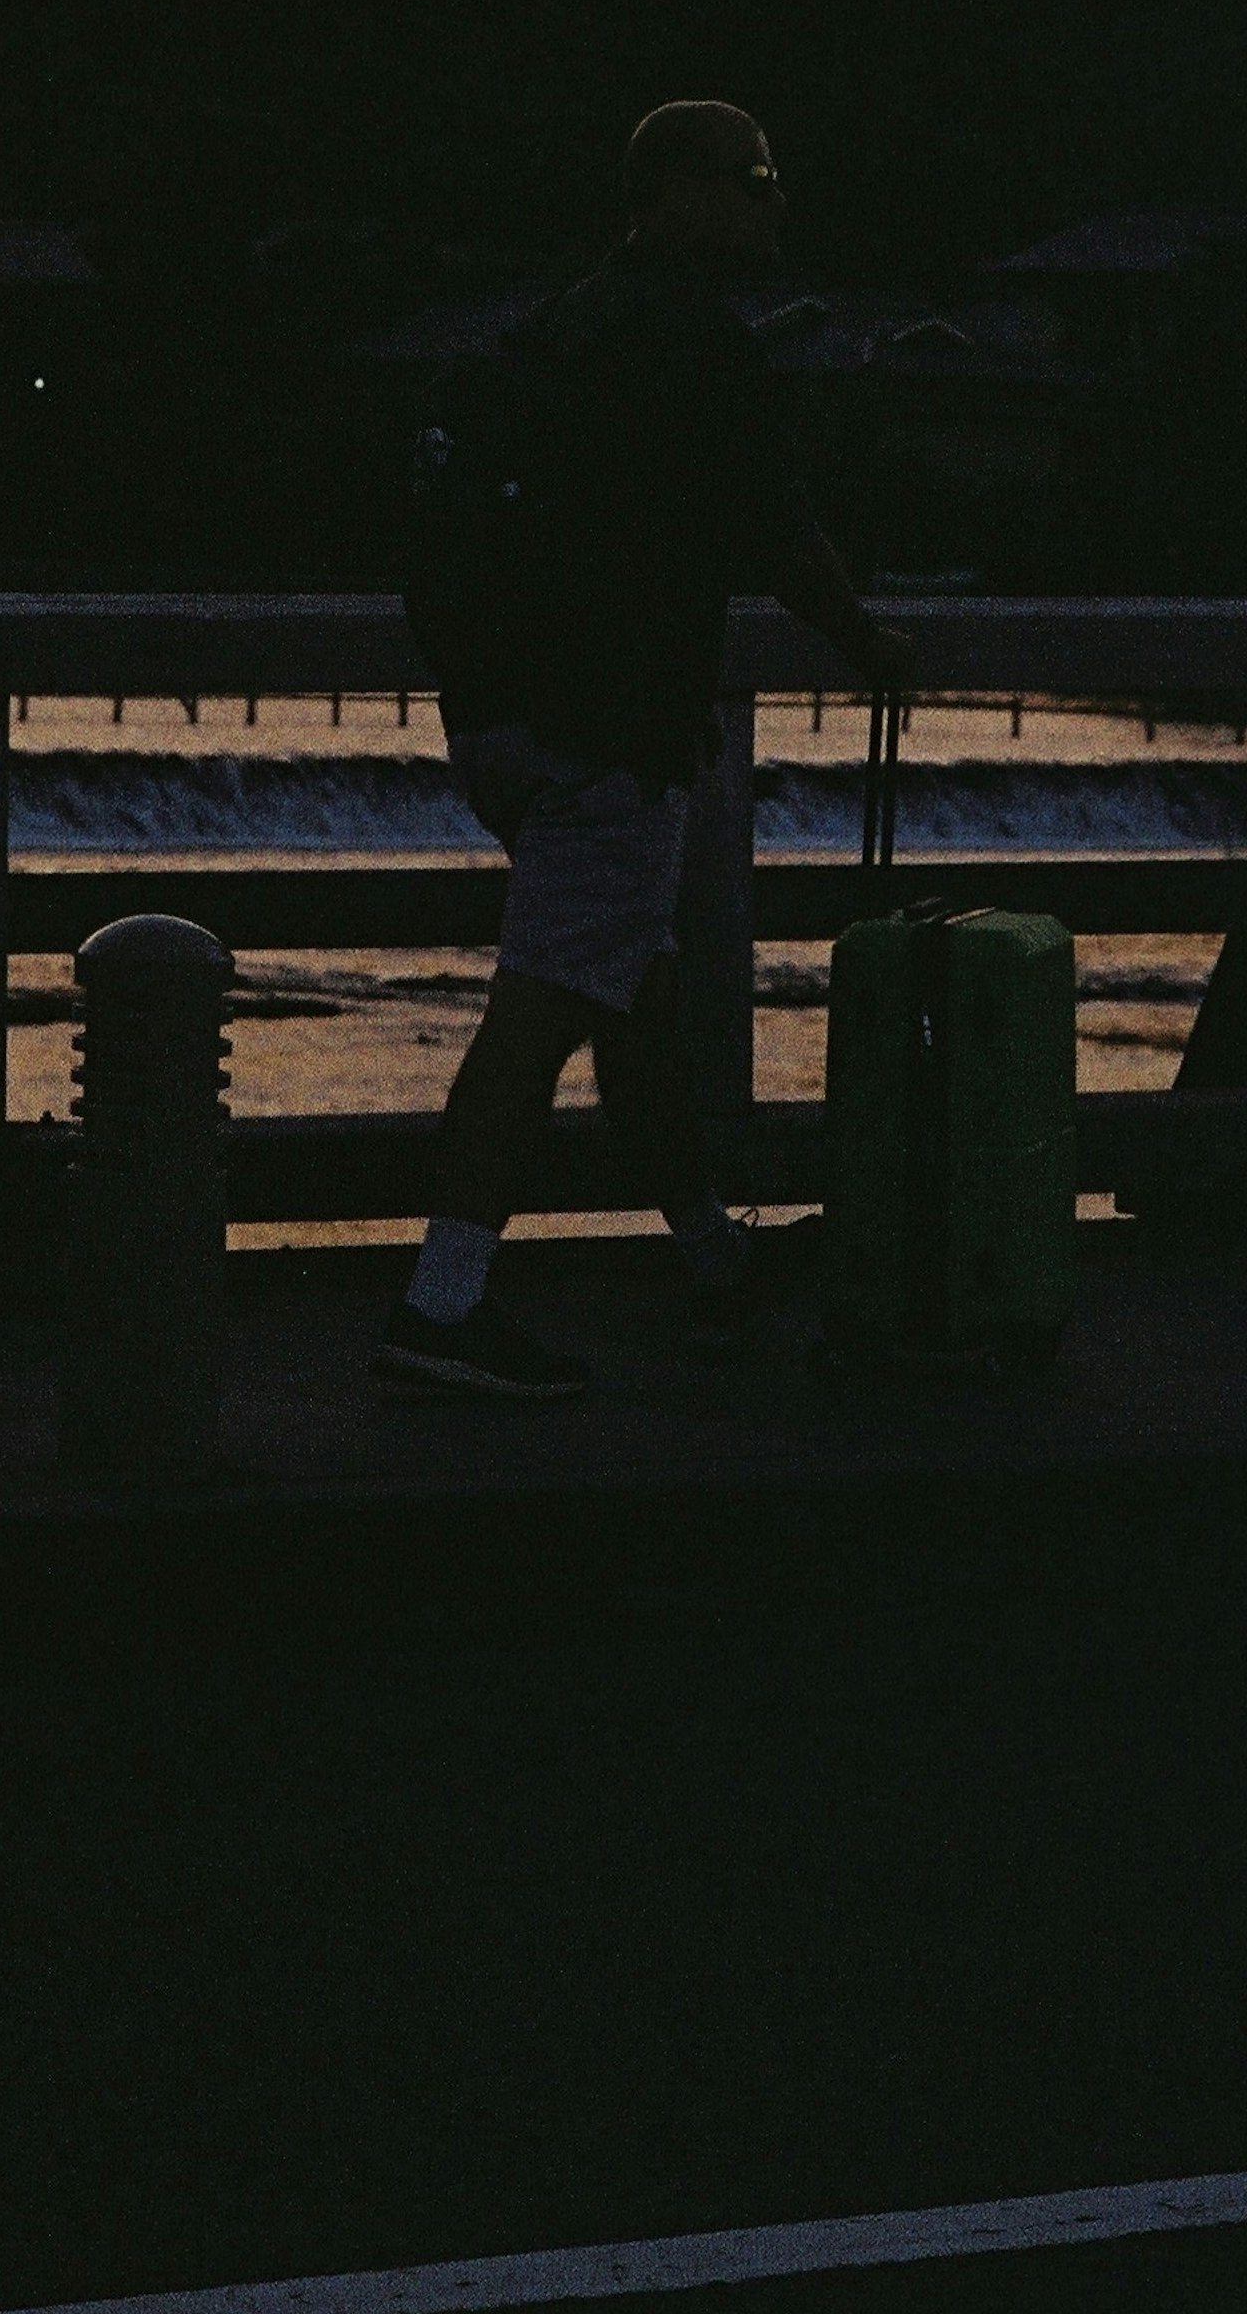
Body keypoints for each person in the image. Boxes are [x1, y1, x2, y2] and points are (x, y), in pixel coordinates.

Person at [382, 99, 911, 1400]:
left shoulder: (561, 326)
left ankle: (712, 1253)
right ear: (675, 192)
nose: (771, 202)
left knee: (640, 997)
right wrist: (868, 644)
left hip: (501, 721)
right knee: (546, 1009)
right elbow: (779, 529)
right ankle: (439, 1304)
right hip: (607, 733)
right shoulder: (694, 346)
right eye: (753, 178)